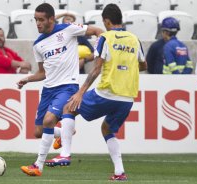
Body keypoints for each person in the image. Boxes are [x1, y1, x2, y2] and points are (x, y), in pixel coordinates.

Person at [45, 4, 147, 181]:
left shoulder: (105, 38)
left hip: (107, 92)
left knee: (69, 107)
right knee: (107, 129)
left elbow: (96, 69)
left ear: (106, 21)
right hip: (127, 97)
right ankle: (119, 172)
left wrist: (80, 93)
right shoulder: (134, 39)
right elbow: (144, 65)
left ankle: (65, 154)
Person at [16, 3, 103, 176]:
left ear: (51, 18)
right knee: (38, 132)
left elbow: (98, 31)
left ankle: (37, 166)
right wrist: (28, 79)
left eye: (41, 20)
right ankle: (65, 132)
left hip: (67, 86)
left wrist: (99, 52)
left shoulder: (68, 29)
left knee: (49, 121)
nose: (38, 23)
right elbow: (42, 73)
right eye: (36, 20)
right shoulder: (38, 44)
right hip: (48, 90)